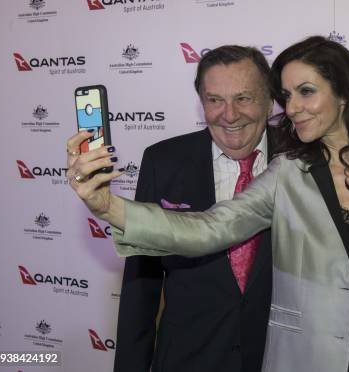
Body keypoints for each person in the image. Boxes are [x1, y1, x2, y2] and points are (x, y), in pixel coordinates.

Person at [67, 36, 349, 372]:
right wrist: (107, 206)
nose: (293, 108)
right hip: (330, 361)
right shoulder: (287, 172)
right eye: (287, 96)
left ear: (343, 91)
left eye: (306, 91)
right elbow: (207, 229)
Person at [111, 45, 276, 372]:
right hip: (188, 358)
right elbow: (141, 285)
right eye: (215, 100)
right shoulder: (164, 161)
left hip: (278, 360)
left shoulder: (304, 161)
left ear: (270, 100)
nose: (229, 114)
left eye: (243, 98)